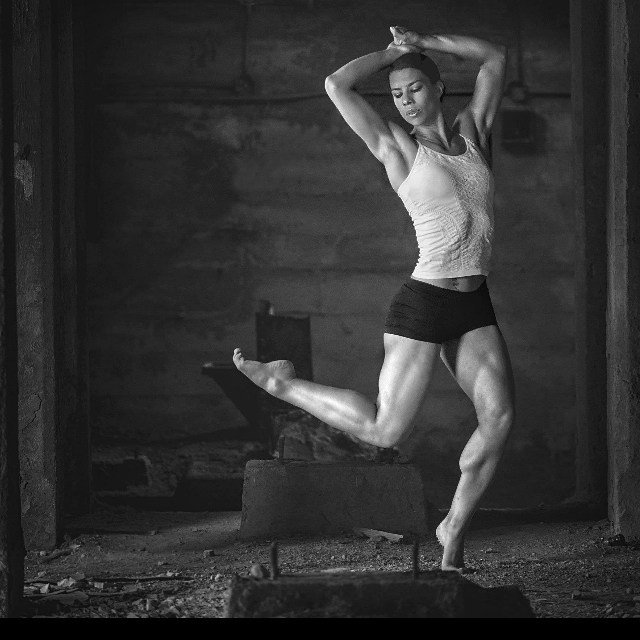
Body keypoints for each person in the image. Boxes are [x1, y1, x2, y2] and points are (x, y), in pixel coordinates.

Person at [233, 25, 514, 572]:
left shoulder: (472, 132)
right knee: (385, 430)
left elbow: (494, 57)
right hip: (425, 303)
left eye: (414, 88)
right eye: (396, 94)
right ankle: (281, 383)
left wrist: (426, 42)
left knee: (499, 418)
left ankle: (453, 527)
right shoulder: (398, 148)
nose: (404, 101)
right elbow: (336, 85)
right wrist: (392, 54)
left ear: (438, 88)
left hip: (473, 304)